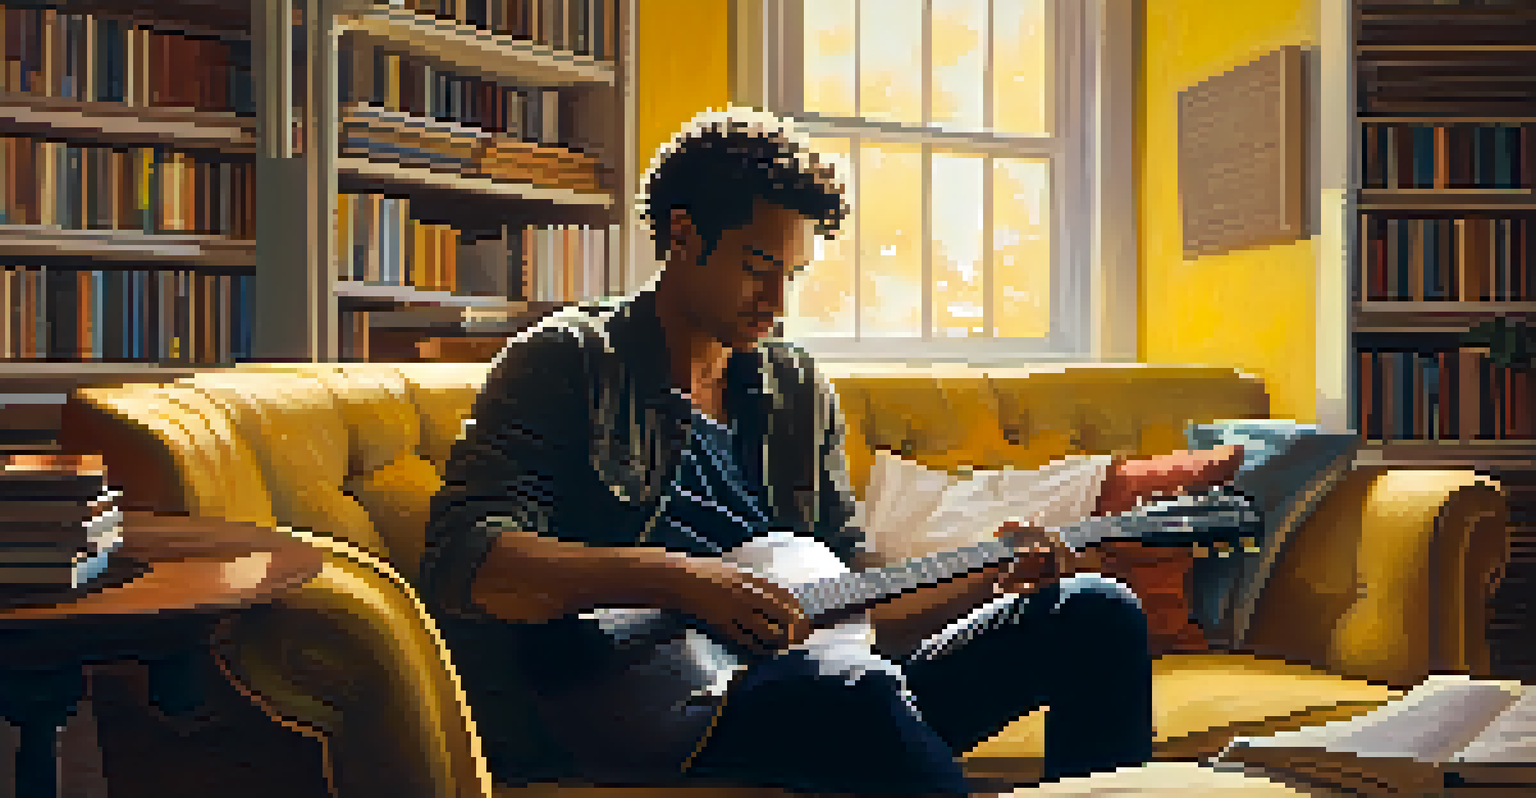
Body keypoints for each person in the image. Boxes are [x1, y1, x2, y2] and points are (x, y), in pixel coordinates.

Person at [421, 107, 1244, 796]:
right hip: (647, 704)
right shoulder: (571, 359)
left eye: (793, 273)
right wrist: (677, 579)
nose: (776, 301)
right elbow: (468, 560)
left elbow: (855, 604)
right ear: (682, 234)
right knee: (852, 693)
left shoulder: (794, 386)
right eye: (757, 267)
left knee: (1094, 610)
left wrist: (988, 578)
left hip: (830, 682)